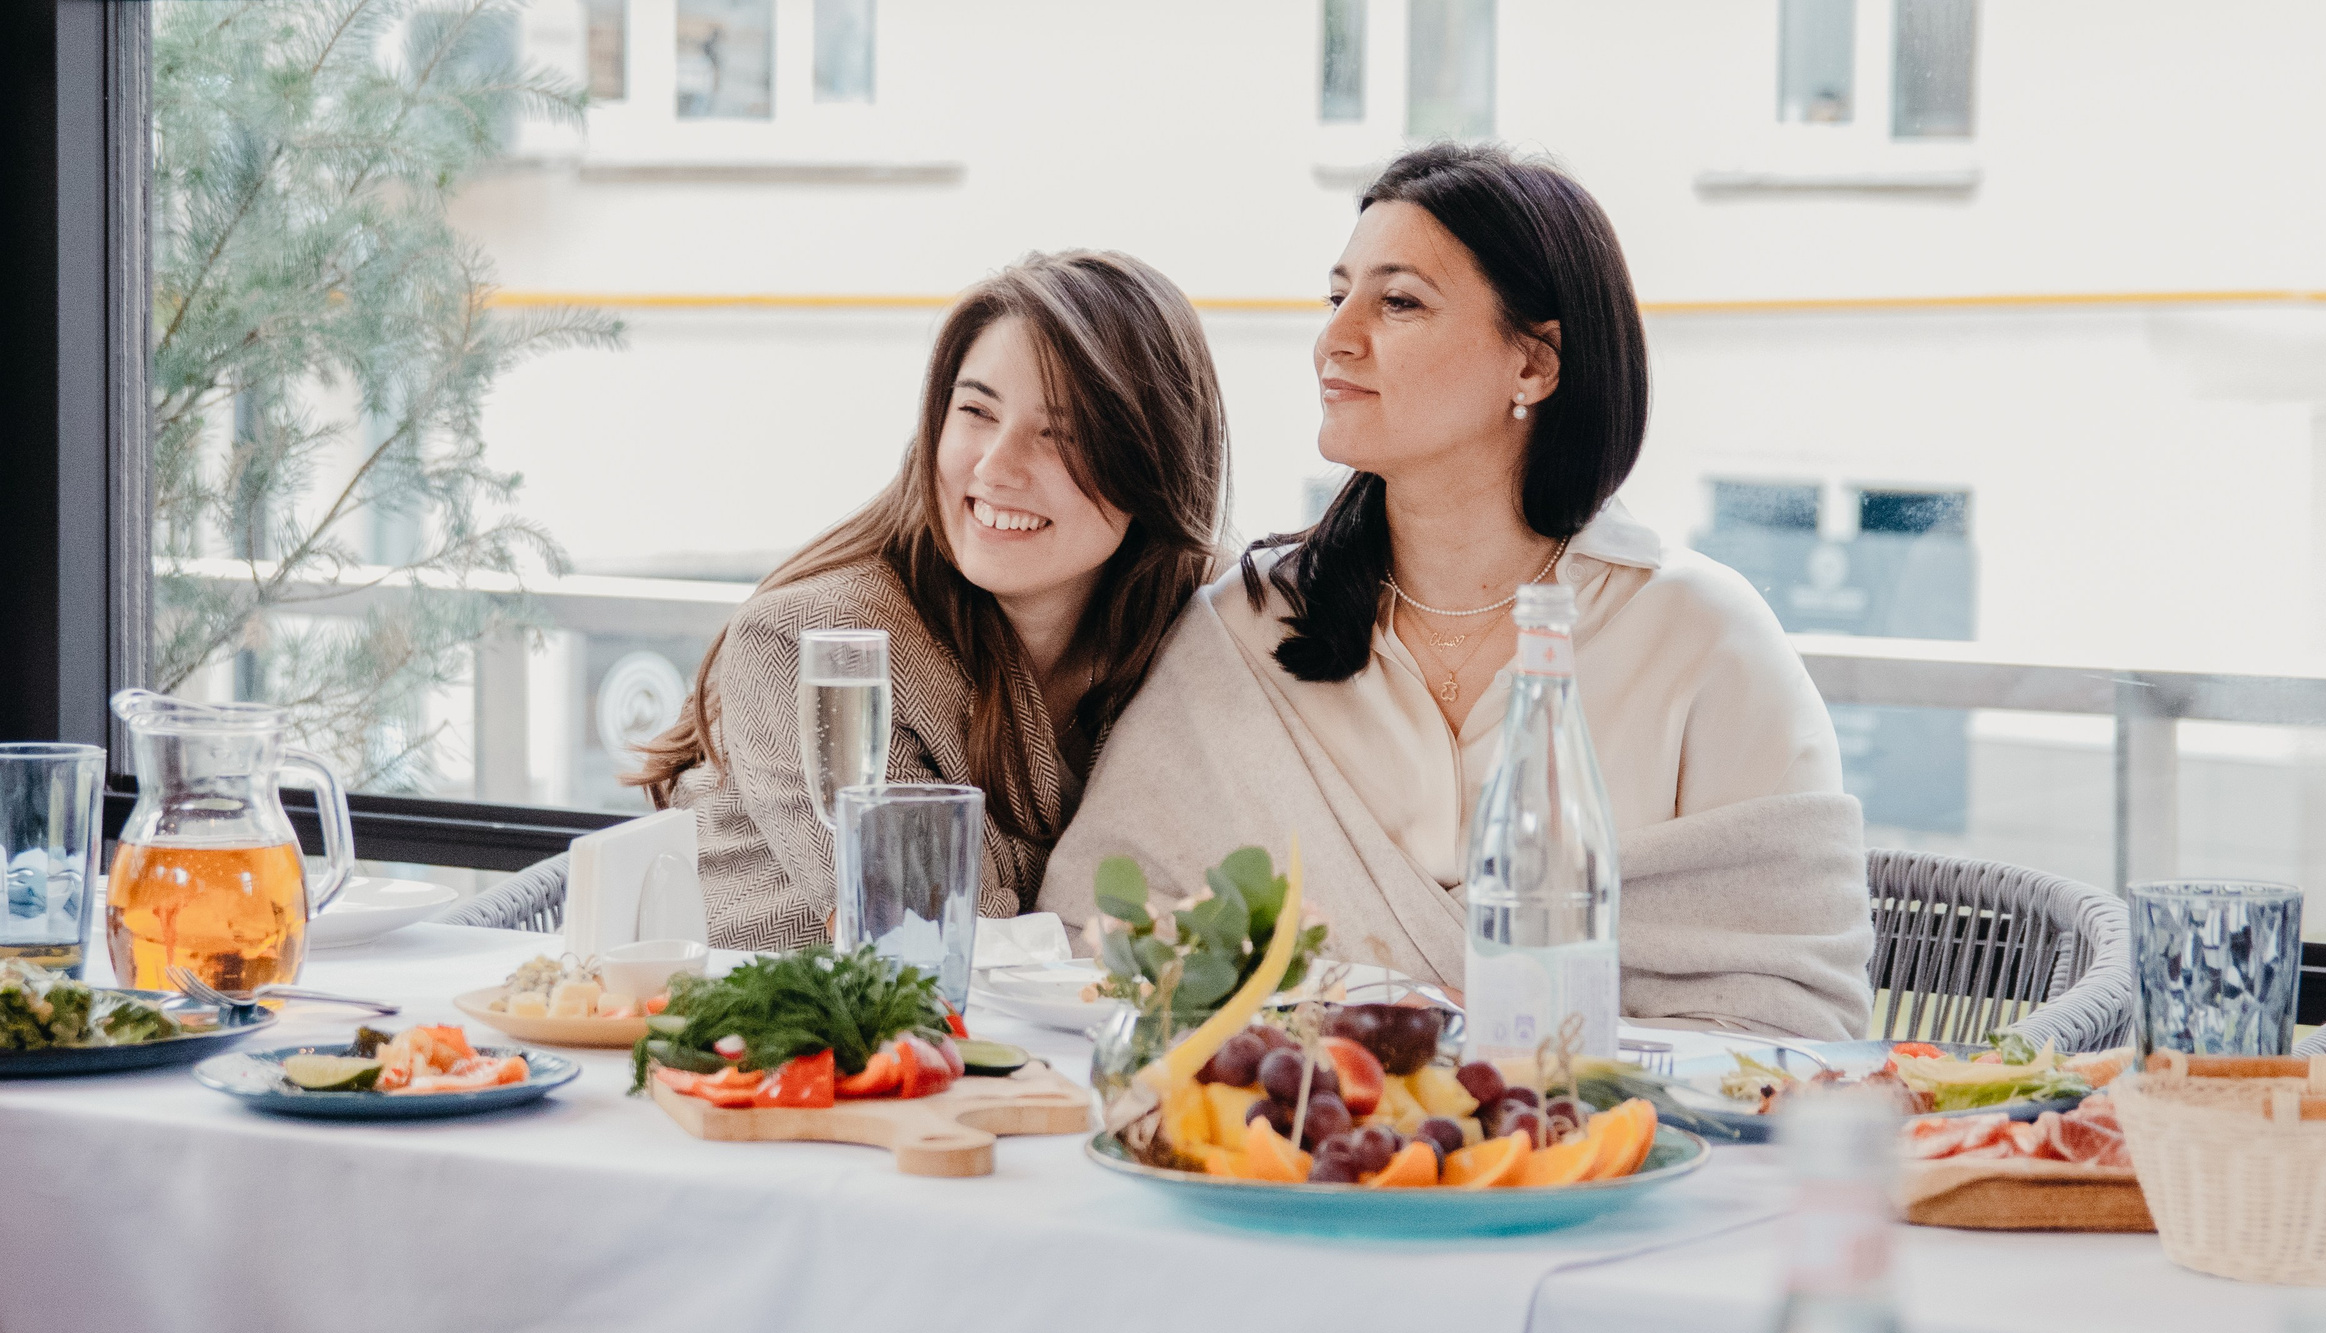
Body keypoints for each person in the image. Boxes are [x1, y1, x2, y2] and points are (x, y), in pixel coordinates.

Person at [1042, 145, 1873, 1039]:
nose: (1336, 338)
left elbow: (1794, 1021)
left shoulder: (1704, 639)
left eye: (1398, 302)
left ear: (1535, 366)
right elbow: (1093, 938)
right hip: (1287, 1155)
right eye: (1337, 296)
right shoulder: (1242, 632)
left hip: (1607, 1163)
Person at [628, 252, 1227, 949]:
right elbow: (918, 942)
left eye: (1059, 433)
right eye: (975, 410)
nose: (996, 467)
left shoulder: (1188, 634)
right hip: (768, 1045)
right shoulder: (813, 644)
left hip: (1021, 1053)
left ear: (1155, 463)